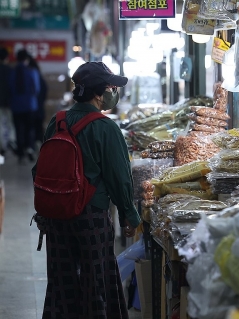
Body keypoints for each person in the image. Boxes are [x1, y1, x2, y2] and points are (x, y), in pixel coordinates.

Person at [32, 62, 141, 319]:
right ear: (97, 93)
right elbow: (120, 180)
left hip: (56, 216)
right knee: (96, 282)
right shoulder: (106, 128)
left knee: (61, 282)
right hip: (90, 218)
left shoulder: (57, 122)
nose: (115, 92)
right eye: (112, 87)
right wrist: (129, 216)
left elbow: (40, 169)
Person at [8, 49, 39, 163]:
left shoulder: (12, 72)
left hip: (16, 106)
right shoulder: (32, 72)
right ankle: (30, 149)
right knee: (30, 128)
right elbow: (36, 89)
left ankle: (20, 153)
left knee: (18, 129)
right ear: (27, 59)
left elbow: (10, 88)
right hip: (30, 105)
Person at [28, 55, 48, 148]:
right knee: (38, 128)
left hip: (30, 107)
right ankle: (39, 145)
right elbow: (44, 91)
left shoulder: (29, 74)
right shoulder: (39, 76)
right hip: (39, 107)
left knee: (30, 128)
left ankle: (31, 146)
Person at [0, 47, 14, 156]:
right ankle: (11, 142)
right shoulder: (10, 70)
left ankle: (2, 145)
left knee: (0, 123)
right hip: (9, 101)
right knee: (10, 123)